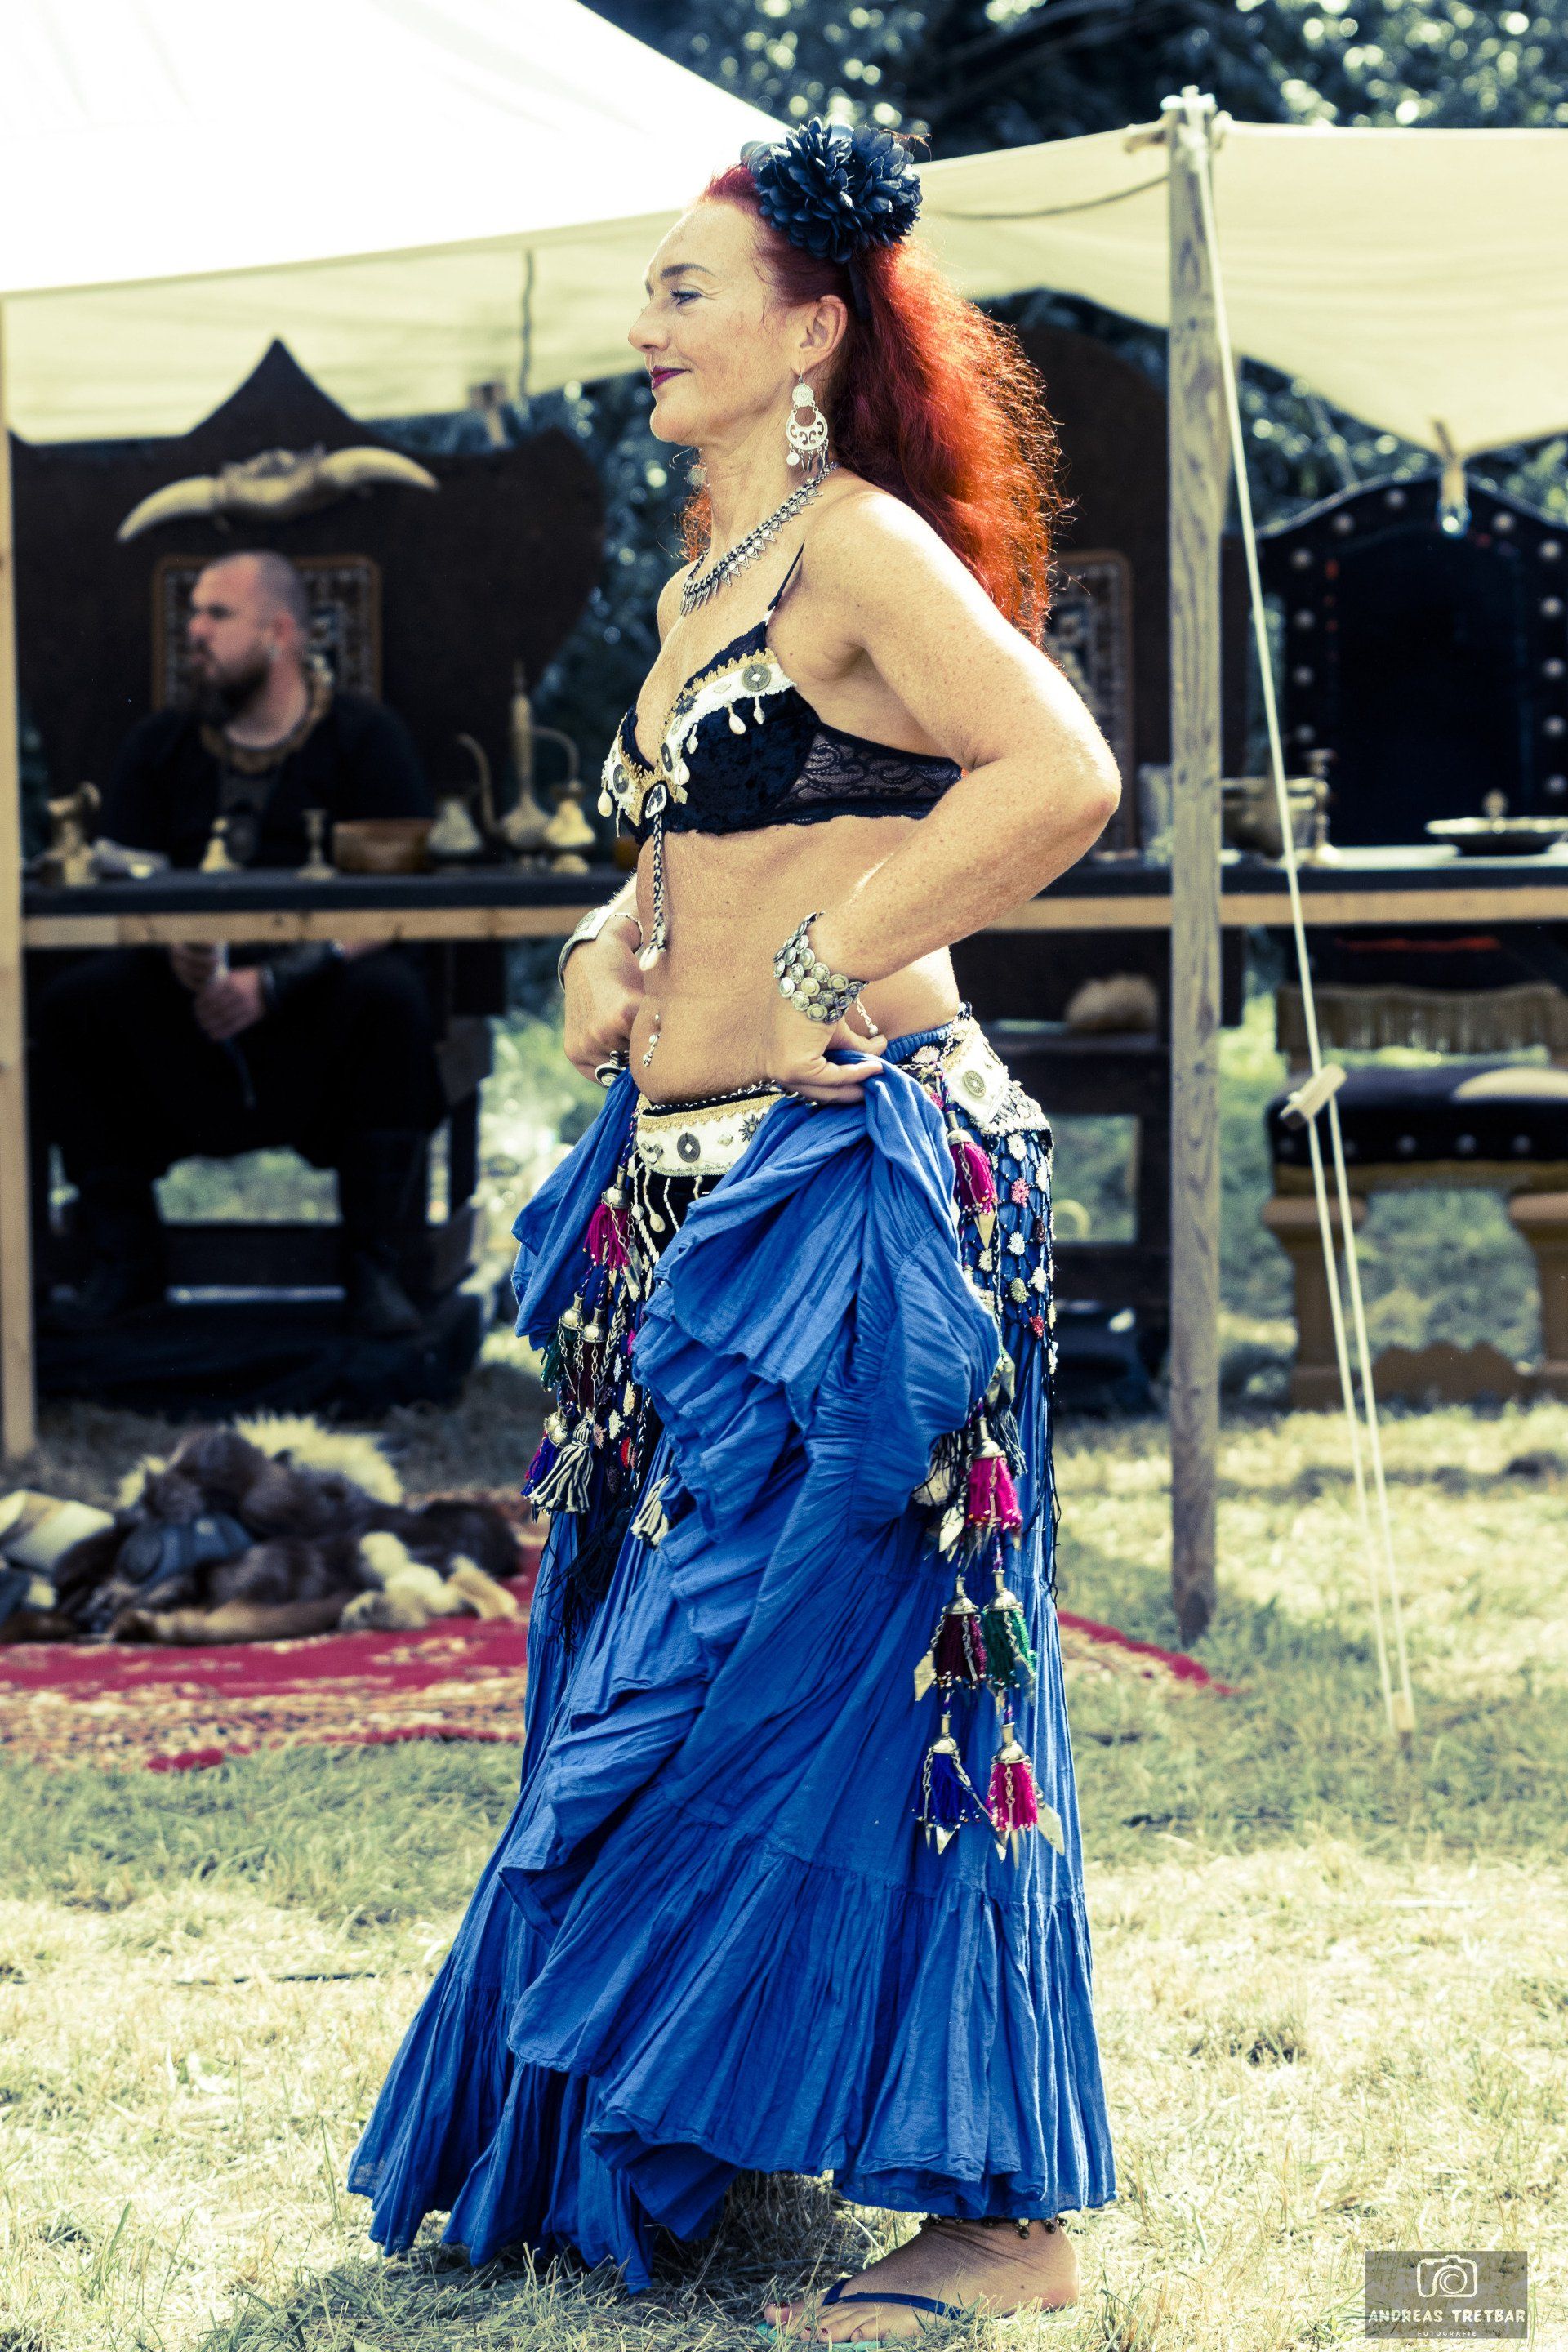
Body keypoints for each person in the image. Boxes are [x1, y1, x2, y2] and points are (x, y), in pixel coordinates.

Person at [350, 122, 1121, 2340]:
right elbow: (706, 843)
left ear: (809, 330)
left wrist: (816, 964)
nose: (641, 328)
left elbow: (1057, 774)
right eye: (648, 291)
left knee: (868, 1681)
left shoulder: (860, 543)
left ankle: (1009, 2225)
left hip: (853, 1189)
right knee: (688, 1671)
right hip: (682, 1200)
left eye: (686, 290)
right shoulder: (716, 577)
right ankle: (694, 2126)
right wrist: (609, 946)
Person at [35, 550, 444, 1339]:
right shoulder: (160, 746)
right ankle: (125, 1262)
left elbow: (402, 906)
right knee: (73, 1008)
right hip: (186, 1017)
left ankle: (374, 1266)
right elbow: (125, 879)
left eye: (217, 614)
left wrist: (280, 979)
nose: (194, 631)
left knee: (390, 997)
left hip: (319, 1011)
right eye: (192, 613)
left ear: (280, 632)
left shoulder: (364, 739)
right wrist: (177, 948)